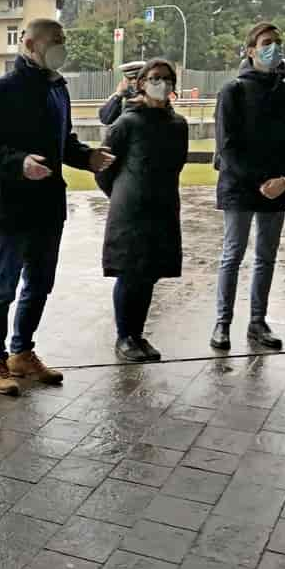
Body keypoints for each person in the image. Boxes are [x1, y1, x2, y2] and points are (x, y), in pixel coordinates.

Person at [0, 19, 115, 394]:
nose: (60, 47)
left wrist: (87, 157)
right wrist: (19, 163)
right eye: (54, 41)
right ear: (29, 43)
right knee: (3, 287)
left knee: (39, 284)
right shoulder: (1, 90)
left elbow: (62, 142)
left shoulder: (57, 89)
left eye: (64, 40)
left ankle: (22, 352)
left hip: (48, 205)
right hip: (10, 207)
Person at [211, 22, 285, 351]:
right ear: (251, 49)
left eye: (278, 42)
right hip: (240, 187)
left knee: (266, 257)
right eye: (267, 42)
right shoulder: (232, 91)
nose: (274, 48)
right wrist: (258, 182)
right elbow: (227, 146)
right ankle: (222, 323)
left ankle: (257, 322)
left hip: (278, 187)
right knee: (233, 255)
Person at [96, 58, 189, 362]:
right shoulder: (127, 123)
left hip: (162, 207)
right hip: (131, 210)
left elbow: (177, 165)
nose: (160, 84)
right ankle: (124, 336)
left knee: (149, 274)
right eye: (154, 78)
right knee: (130, 272)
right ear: (141, 83)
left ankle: (138, 334)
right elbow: (103, 168)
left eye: (166, 79)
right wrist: (122, 193)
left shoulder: (178, 125)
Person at [98, 61, 147, 126]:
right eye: (130, 79)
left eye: (137, 78)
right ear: (124, 80)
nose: (134, 82)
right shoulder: (119, 98)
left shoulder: (153, 97)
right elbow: (105, 119)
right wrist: (118, 95)